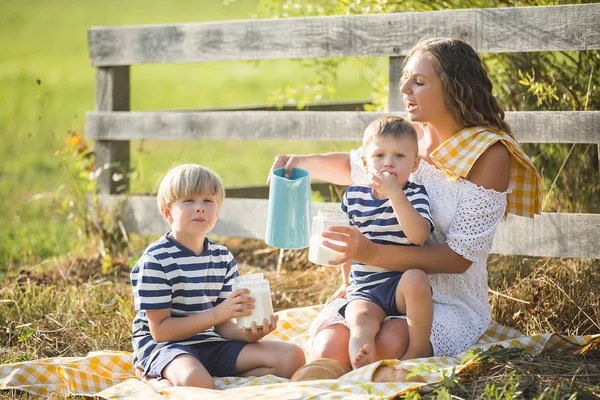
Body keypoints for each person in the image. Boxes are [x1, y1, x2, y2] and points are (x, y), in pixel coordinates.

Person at [269, 37, 542, 376]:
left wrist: (370, 253)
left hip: (442, 299)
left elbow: (458, 259)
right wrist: (295, 163)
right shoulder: (409, 137)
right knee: (331, 344)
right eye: (406, 80)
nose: (406, 90)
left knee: (385, 345)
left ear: (455, 88)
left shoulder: (489, 154)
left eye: (419, 81)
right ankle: (316, 389)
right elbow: (352, 166)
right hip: (375, 283)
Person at [131, 163, 305, 390]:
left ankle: (206, 372)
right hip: (166, 347)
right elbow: (161, 331)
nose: (200, 208)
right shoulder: (156, 259)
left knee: (293, 357)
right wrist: (217, 314)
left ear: (217, 211)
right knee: (196, 382)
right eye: (188, 201)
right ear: (167, 213)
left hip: (210, 343)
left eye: (208, 201)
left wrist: (249, 335)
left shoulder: (222, 256)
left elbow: (223, 326)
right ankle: (150, 377)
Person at [331, 115, 434, 369]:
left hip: (400, 285)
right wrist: (345, 282)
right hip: (366, 286)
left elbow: (419, 235)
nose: (389, 163)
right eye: (379, 156)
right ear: (366, 163)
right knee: (360, 319)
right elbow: (347, 243)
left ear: (414, 164)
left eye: (399, 156)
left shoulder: (414, 194)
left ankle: (418, 350)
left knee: (417, 278)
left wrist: (396, 196)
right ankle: (362, 360)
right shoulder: (354, 196)